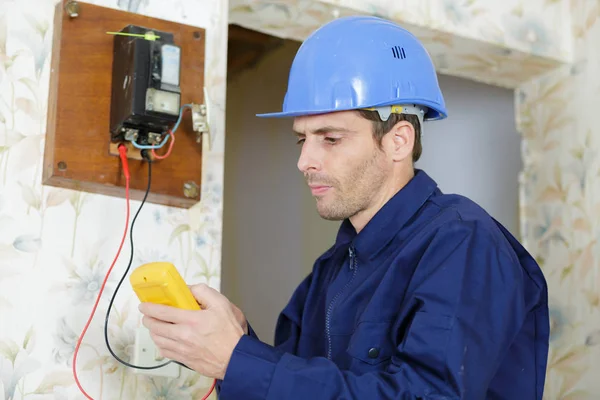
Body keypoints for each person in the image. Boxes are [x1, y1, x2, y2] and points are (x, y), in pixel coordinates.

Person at [139, 16, 549, 399]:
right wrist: (235, 342)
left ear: (398, 140)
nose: (305, 162)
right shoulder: (328, 274)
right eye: (303, 139)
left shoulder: (462, 243)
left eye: (330, 138)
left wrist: (239, 359)